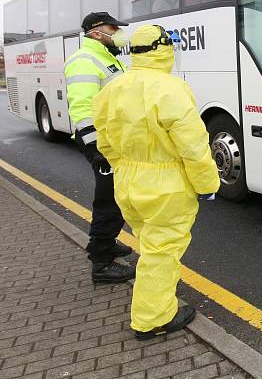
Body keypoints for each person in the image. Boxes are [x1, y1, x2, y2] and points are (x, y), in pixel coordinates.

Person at [92, 24, 220, 339]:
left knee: (150, 244)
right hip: (167, 187)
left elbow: (104, 140)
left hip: (127, 183)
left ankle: (155, 309)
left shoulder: (113, 88)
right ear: (163, 49)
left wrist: (123, 168)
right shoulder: (171, 89)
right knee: (161, 252)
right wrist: (207, 185)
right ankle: (153, 319)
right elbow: (193, 147)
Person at [64, 11, 135, 284]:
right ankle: (101, 263)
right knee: (109, 199)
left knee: (117, 195)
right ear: (96, 32)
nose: (117, 33)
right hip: (101, 141)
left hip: (112, 139)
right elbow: (82, 107)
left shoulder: (108, 58)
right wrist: (97, 148)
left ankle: (107, 242)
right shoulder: (84, 61)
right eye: (113, 28)